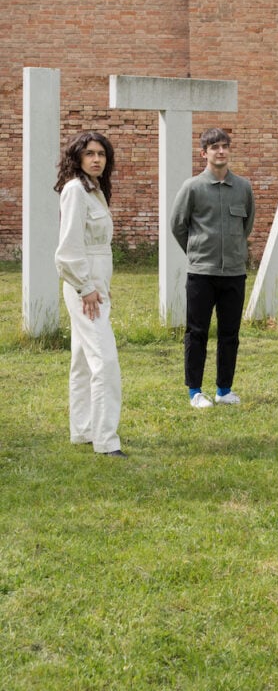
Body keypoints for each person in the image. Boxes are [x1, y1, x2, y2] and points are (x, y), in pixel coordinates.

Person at [170, 127, 255, 409]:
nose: (221, 151)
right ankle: (195, 391)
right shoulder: (192, 187)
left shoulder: (243, 187)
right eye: (214, 147)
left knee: (230, 334)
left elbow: (247, 225)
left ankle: (224, 390)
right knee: (197, 332)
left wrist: (234, 252)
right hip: (201, 274)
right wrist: (197, 252)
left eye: (225, 146)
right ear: (203, 152)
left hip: (233, 272)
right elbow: (178, 226)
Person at [54, 131, 125, 457]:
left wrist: (99, 286)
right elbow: (68, 250)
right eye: (90, 153)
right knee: (105, 361)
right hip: (84, 289)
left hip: (96, 286)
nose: (96, 159)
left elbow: (98, 249)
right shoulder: (75, 191)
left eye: (102, 154)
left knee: (83, 361)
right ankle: (106, 441)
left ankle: (82, 431)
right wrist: (86, 288)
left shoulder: (95, 192)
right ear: (78, 157)